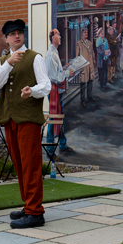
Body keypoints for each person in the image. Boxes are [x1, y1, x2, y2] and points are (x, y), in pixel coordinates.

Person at [0, 19, 51, 230]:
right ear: (6, 39)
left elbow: (46, 85)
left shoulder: (35, 57)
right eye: (12, 34)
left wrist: (31, 91)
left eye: (20, 33)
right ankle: (28, 205)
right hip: (10, 118)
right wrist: (8, 63)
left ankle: (35, 212)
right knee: (19, 164)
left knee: (31, 165)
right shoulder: (2, 60)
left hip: (28, 119)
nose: (17, 36)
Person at [45, 29, 75, 157]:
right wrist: (67, 73)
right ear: (52, 38)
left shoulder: (54, 52)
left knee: (58, 118)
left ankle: (62, 144)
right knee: (54, 119)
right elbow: (56, 77)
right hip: (54, 91)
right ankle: (51, 149)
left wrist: (64, 68)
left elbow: (56, 72)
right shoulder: (51, 54)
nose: (60, 36)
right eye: (58, 34)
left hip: (56, 90)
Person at [76, 27, 97, 107]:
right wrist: (78, 65)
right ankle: (82, 100)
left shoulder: (90, 43)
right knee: (82, 83)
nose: (86, 34)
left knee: (90, 82)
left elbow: (93, 53)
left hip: (90, 65)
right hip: (83, 66)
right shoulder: (79, 43)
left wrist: (94, 61)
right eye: (84, 32)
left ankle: (89, 96)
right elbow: (77, 55)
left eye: (87, 32)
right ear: (81, 34)